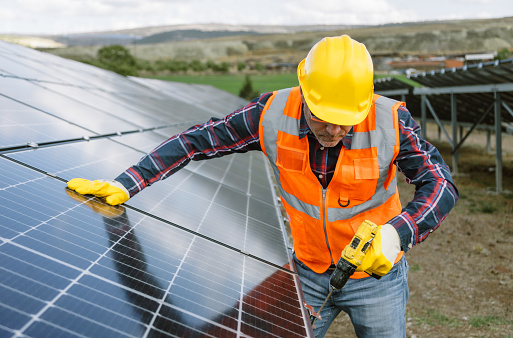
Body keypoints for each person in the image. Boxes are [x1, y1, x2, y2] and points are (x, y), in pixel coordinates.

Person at [67, 35, 459, 337]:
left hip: (377, 281)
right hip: (306, 273)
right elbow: (196, 141)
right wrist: (128, 182)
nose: (335, 130)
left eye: (346, 120)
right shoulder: (271, 113)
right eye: (324, 118)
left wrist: (397, 234)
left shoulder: (390, 121)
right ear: (304, 90)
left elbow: (440, 184)